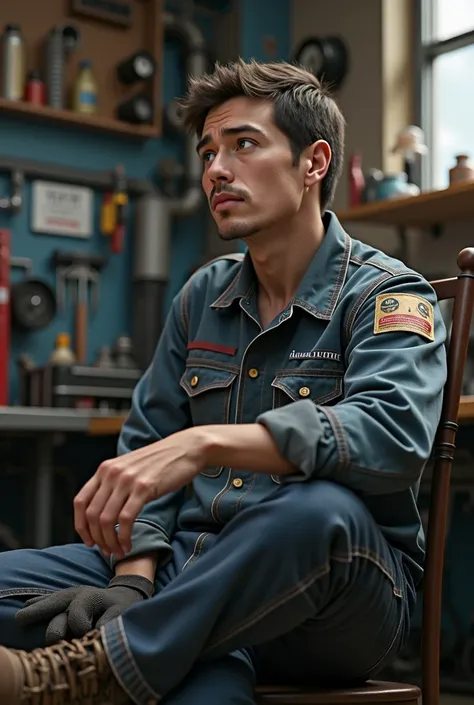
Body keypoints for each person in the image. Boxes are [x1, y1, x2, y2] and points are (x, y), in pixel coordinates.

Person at [0, 59, 447, 705]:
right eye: (208, 150)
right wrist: (131, 580)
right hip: (189, 569)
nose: (215, 168)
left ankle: (88, 667)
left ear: (313, 162)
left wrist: (207, 442)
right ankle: (152, 651)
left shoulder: (385, 292)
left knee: (317, 511)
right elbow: (147, 440)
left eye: (243, 144)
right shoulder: (202, 294)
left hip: (337, 595)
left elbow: (392, 434)